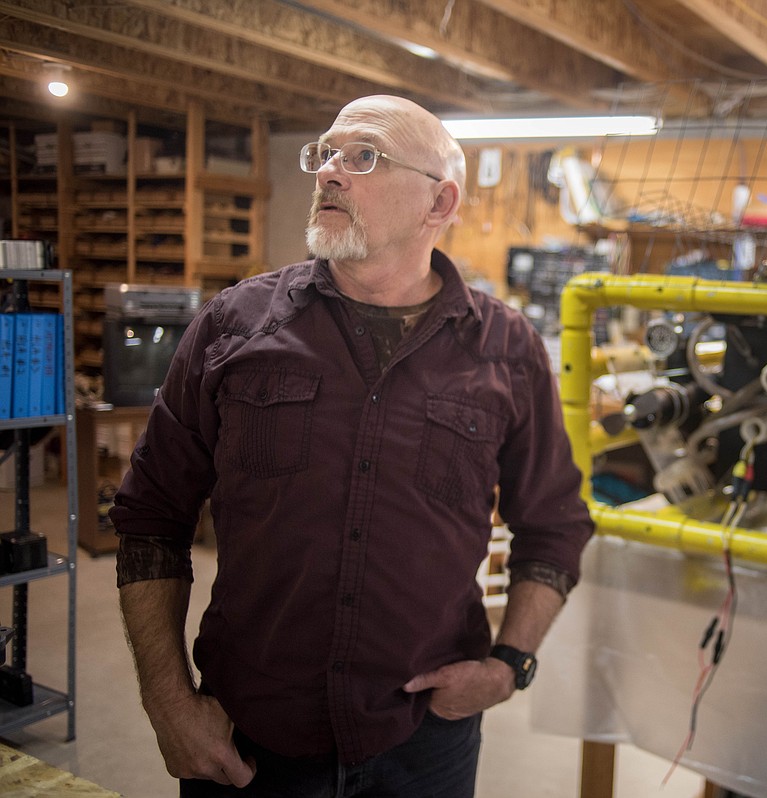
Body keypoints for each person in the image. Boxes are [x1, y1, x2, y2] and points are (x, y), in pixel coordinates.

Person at [113, 95, 594, 797]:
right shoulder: (233, 325)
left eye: (362, 156)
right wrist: (167, 701)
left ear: (440, 202)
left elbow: (554, 524)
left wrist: (509, 661)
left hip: (423, 741)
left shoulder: (505, 348)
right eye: (325, 153)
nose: (330, 172)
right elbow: (152, 518)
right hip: (253, 740)